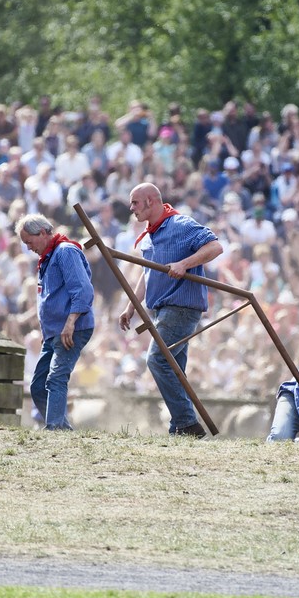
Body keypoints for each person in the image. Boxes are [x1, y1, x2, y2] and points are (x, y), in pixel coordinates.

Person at [118, 183, 223, 437]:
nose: (131, 208)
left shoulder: (181, 225)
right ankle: (178, 427)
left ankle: (187, 424)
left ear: (151, 201)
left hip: (181, 306)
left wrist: (185, 264)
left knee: (157, 359)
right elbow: (147, 273)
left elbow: (215, 247)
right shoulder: (150, 233)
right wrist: (131, 307)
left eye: (135, 203)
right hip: (163, 309)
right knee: (175, 368)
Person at [16, 214, 95, 430]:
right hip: (54, 332)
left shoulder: (65, 252)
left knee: (56, 378)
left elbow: (83, 289)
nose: (29, 247)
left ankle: (55, 429)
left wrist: (70, 323)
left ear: (42, 233)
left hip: (71, 328)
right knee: (38, 386)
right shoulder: (49, 258)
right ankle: (61, 428)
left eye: (29, 242)